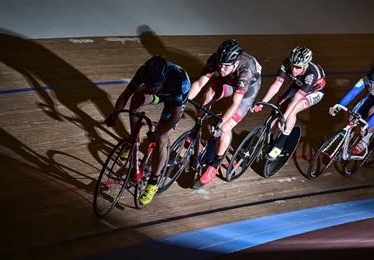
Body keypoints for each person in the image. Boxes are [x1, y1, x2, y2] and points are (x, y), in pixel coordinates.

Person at [104, 55, 191, 205]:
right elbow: (126, 94)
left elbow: (175, 117)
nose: (149, 88)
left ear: (162, 80)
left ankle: (153, 183)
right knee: (137, 98)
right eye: (147, 84)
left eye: (152, 86)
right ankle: (133, 140)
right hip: (161, 91)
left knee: (162, 139)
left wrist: (157, 133)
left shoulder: (177, 82)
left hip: (174, 97)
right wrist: (114, 114)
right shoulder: (145, 72)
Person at [187, 39, 262, 187]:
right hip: (229, 81)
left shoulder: (246, 69)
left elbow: (235, 103)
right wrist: (184, 101)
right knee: (208, 94)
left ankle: (215, 165)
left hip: (247, 90)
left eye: (226, 66)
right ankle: (198, 130)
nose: (221, 69)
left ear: (235, 62)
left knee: (224, 128)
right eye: (220, 65)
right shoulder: (217, 59)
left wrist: (221, 123)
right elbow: (199, 83)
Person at [253, 46, 326, 160]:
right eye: (292, 65)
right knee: (278, 107)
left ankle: (279, 145)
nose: (293, 69)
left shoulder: (311, 74)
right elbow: (276, 85)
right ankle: (267, 138)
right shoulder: (287, 63)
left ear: (305, 65)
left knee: (292, 109)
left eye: (298, 67)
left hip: (314, 92)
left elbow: (296, 99)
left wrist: (284, 118)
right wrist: (262, 103)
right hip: (298, 85)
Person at [329, 66, 374, 155]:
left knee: (373, 111)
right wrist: (338, 107)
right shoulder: (365, 79)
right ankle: (345, 141)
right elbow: (352, 93)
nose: (372, 86)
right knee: (353, 115)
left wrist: (366, 126)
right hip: (373, 97)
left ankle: (365, 140)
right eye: (370, 83)